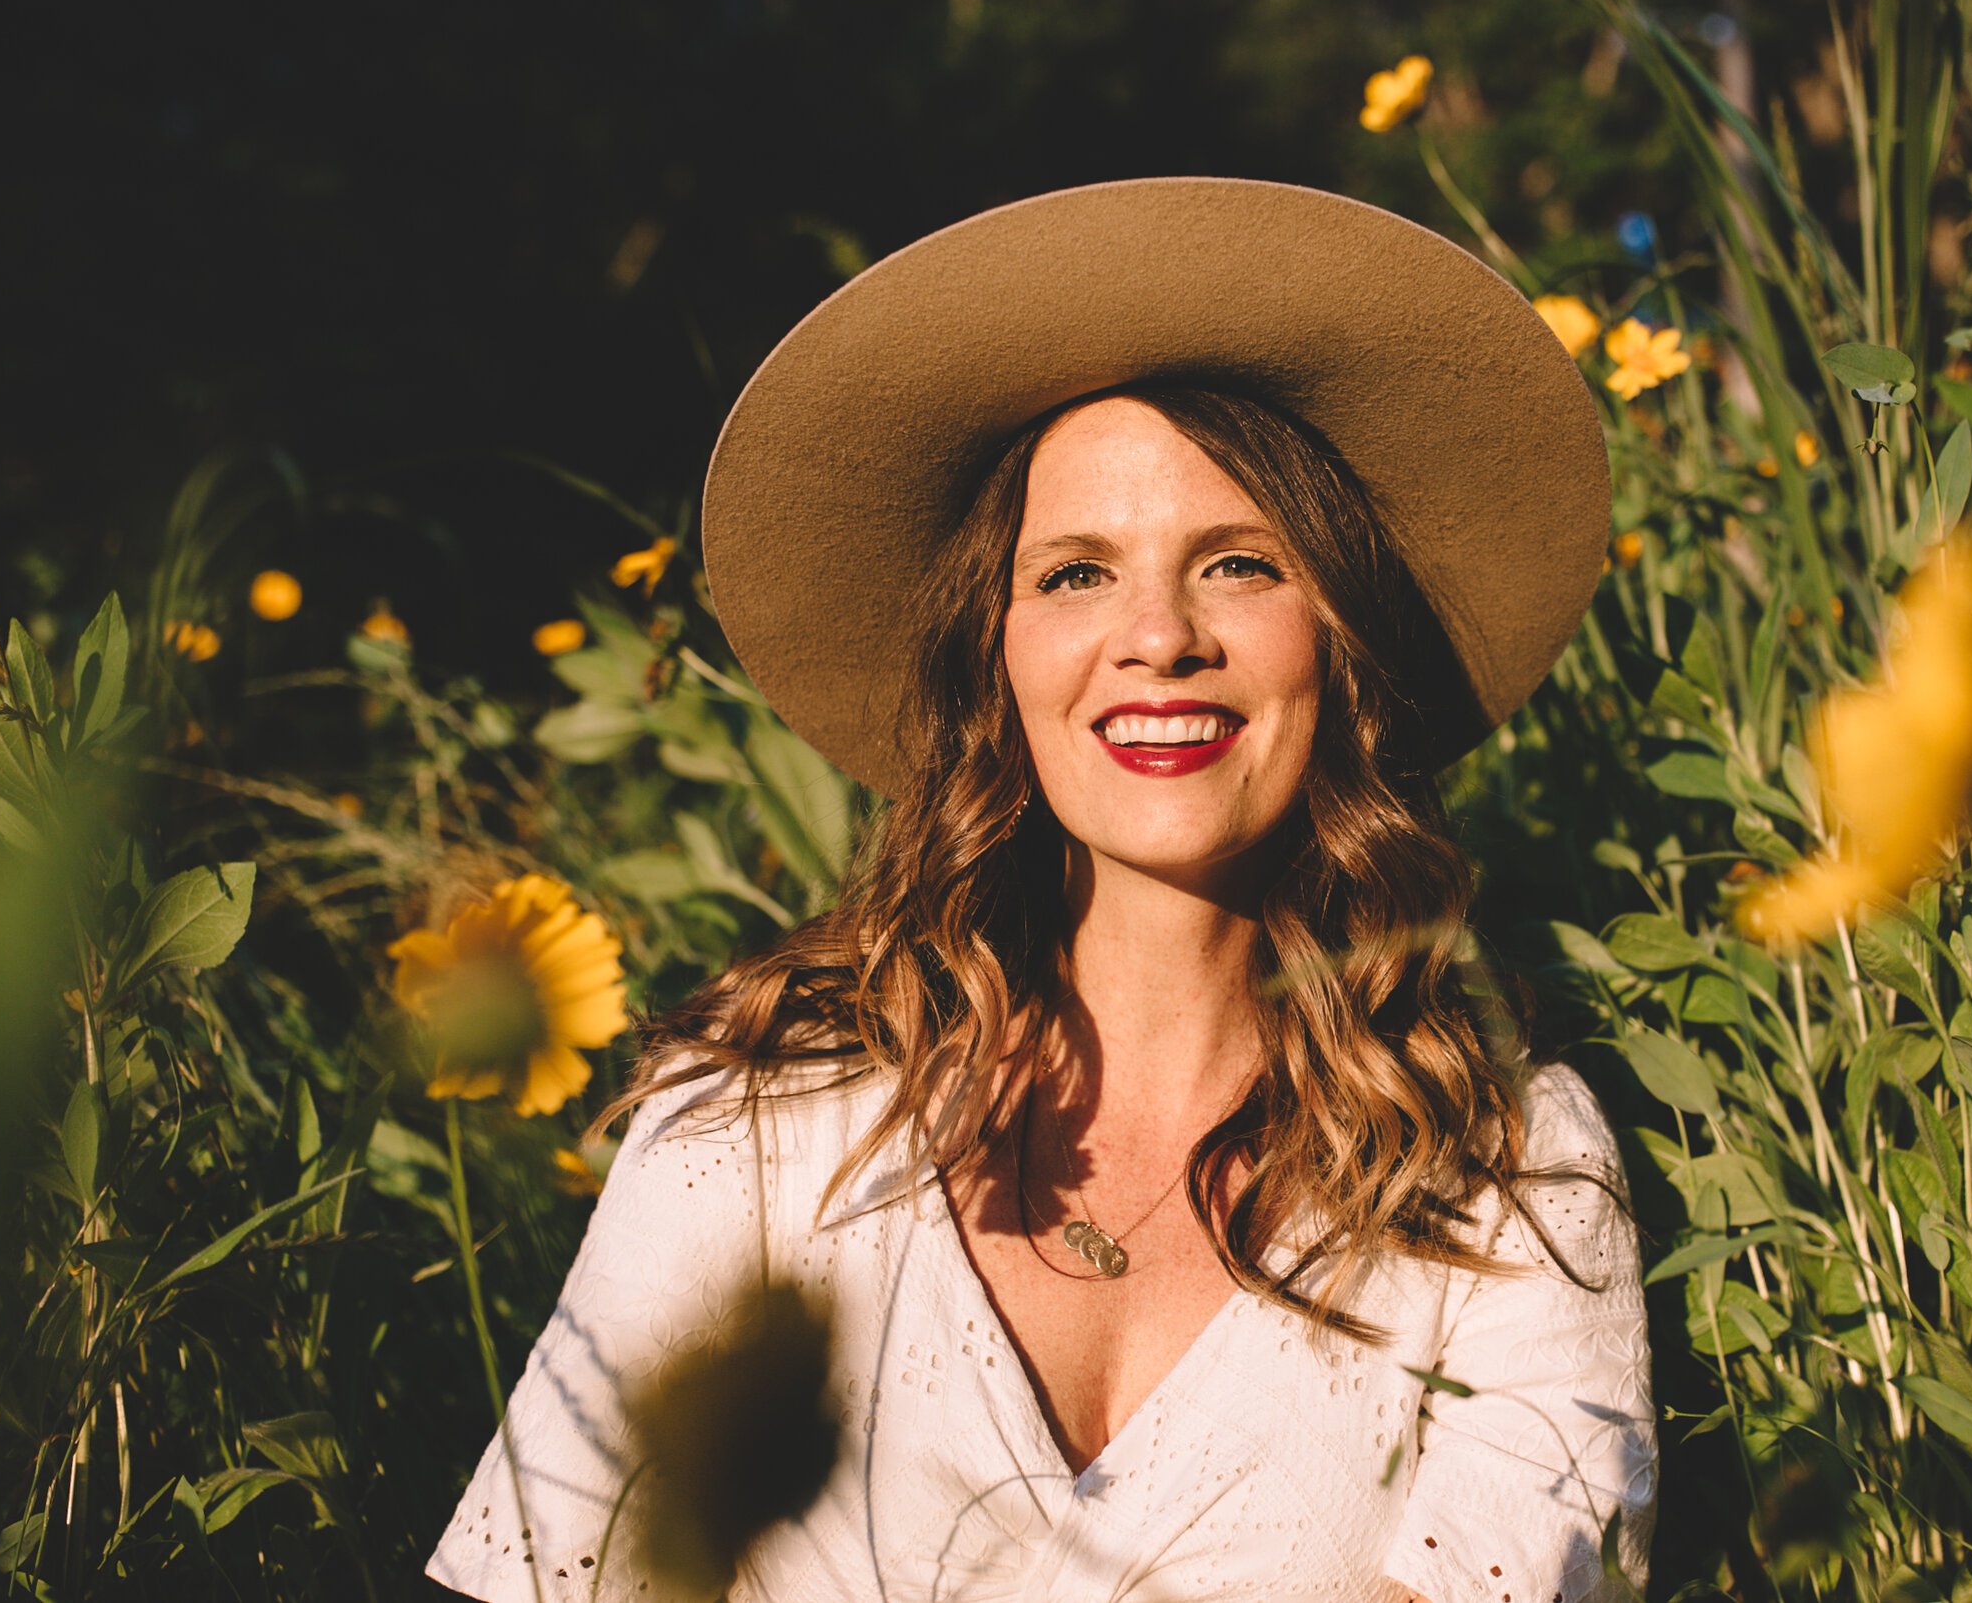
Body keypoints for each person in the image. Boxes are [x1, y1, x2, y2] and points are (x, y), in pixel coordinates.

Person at [427, 178, 1655, 1602]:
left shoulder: (1505, 1173)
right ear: (993, 660)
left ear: (1339, 640)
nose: (1156, 637)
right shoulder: (763, 1121)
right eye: (1076, 573)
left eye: (1241, 564)